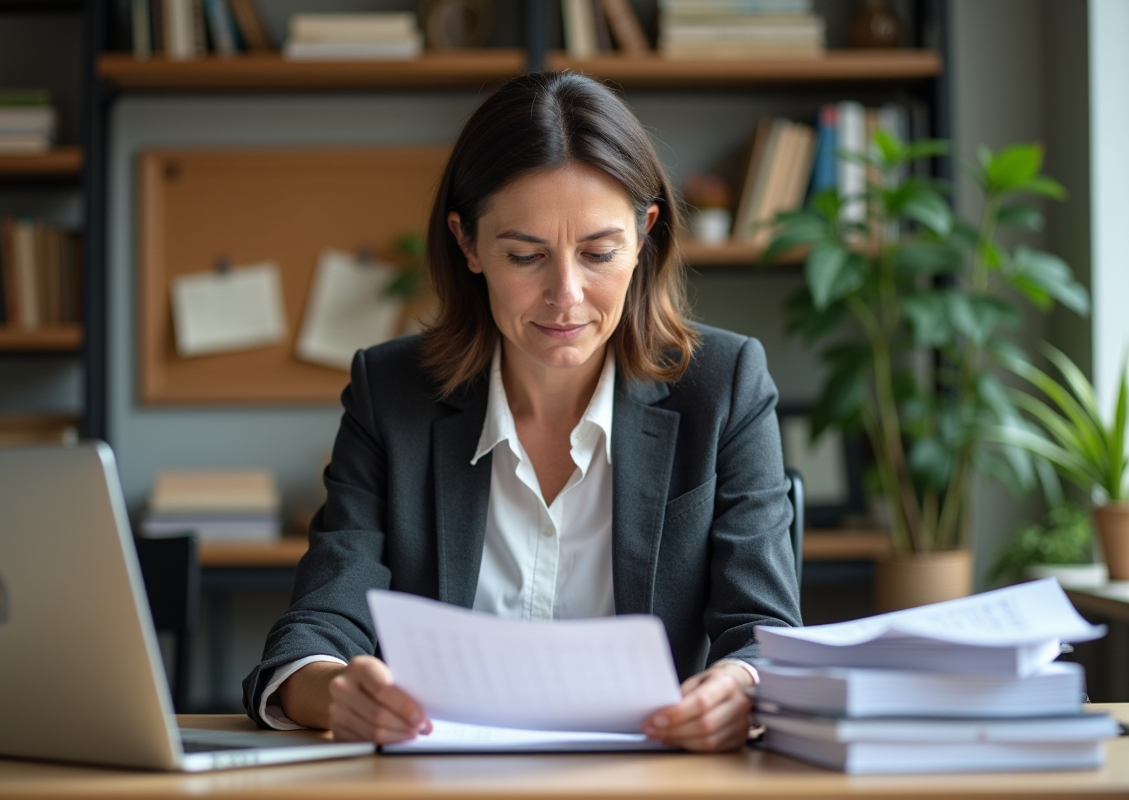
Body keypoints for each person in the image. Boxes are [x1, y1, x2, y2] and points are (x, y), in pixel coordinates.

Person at [243, 71, 801, 753]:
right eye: (525, 255)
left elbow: (766, 634)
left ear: (644, 236)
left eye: (599, 252)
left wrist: (741, 688)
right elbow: (319, 624)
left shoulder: (723, 386)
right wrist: (336, 692)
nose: (565, 295)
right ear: (468, 244)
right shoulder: (391, 394)